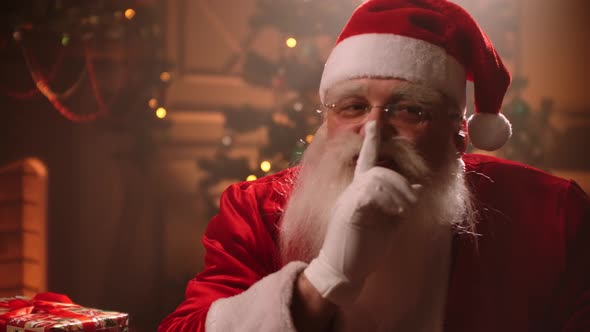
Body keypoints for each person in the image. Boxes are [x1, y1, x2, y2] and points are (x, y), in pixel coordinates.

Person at [159, 0, 590, 331]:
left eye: (409, 111)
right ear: (326, 122)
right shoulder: (256, 209)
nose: (373, 132)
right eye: (352, 106)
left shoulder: (552, 216)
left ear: (458, 135)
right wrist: (324, 280)